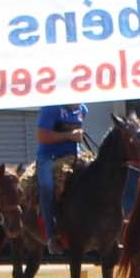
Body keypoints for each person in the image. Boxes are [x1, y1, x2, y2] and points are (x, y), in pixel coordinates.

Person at [34, 98, 90, 250]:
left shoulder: (82, 109)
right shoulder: (51, 107)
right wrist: (70, 136)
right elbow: (41, 136)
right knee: (46, 186)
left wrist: (78, 135)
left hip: (74, 155)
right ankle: (51, 235)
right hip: (49, 157)